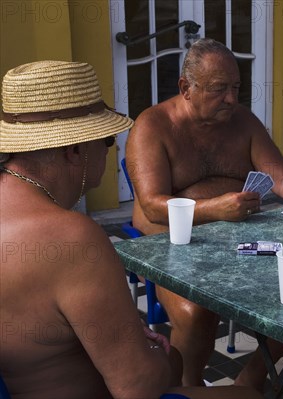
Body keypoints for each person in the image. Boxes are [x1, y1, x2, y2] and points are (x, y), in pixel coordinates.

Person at [0, 61, 260, 399]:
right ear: (74, 150)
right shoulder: (71, 238)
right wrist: (153, 353)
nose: (116, 148)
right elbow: (138, 387)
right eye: (107, 140)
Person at [126, 38, 283, 388]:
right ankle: (188, 389)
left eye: (236, 88)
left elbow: (281, 175)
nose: (231, 98)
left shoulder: (242, 121)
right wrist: (216, 209)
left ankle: (249, 382)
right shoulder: (152, 126)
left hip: (237, 237)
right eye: (218, 89)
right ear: (186, 88)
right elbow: (152, 205)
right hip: (171, 242)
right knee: (197, 313)